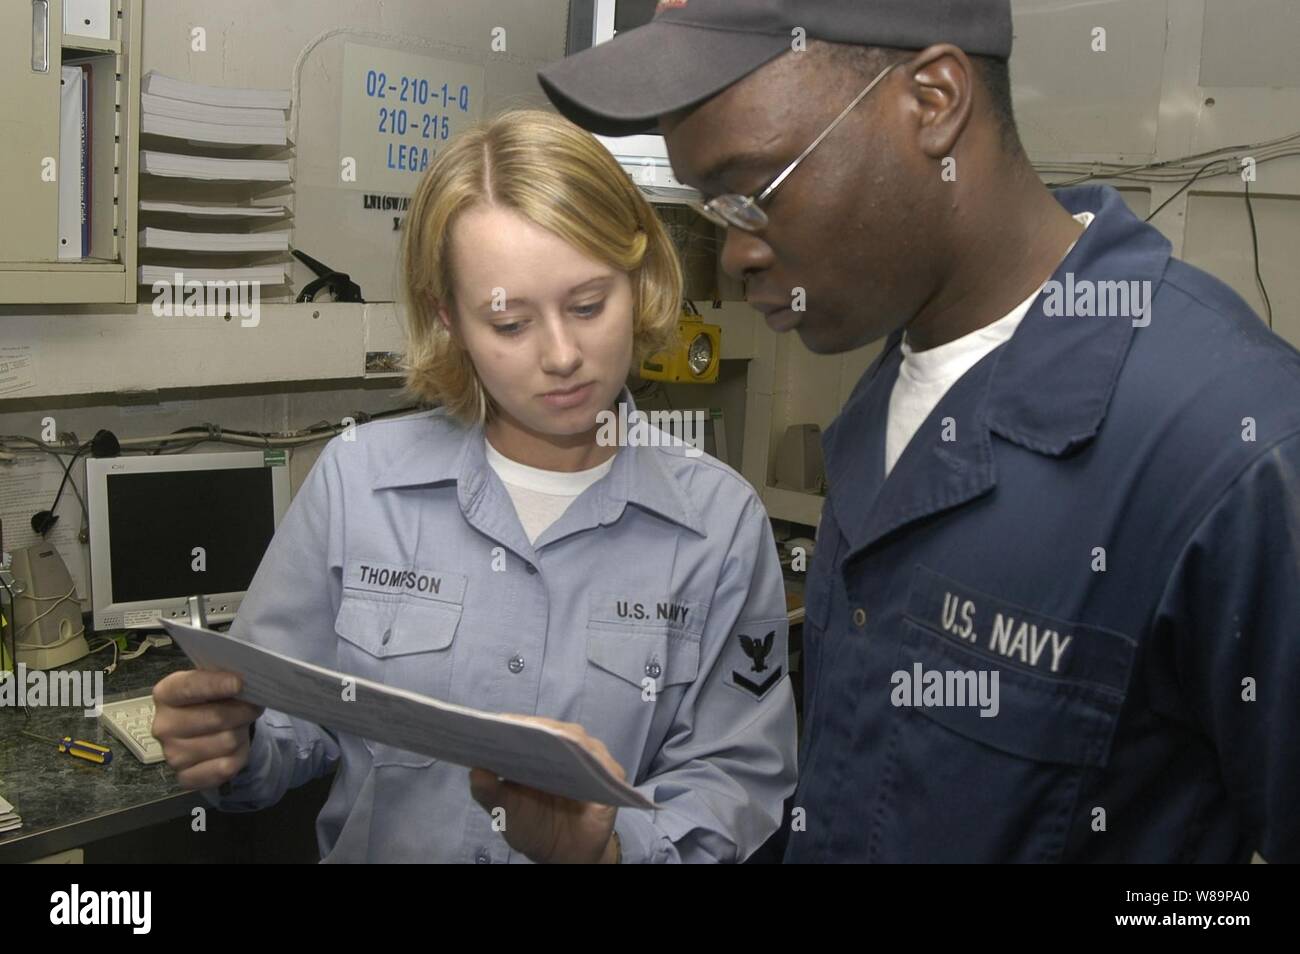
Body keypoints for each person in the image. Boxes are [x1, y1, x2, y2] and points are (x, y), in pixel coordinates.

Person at [539, 0, 1300, 862]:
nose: (736, 256)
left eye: (754, 195)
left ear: (934, 101)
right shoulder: (887, 401)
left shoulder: (1239, 452)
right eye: (715, 212)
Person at [151, 108, 797, 863]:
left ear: (641, 279)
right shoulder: (357, 482)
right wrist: (233, 744)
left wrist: (611, 850)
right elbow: (290, 722)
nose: (562, 355)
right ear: (448, 318)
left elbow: (737, 779)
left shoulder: (717, 523)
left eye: (589, 306)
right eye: (510, 323)